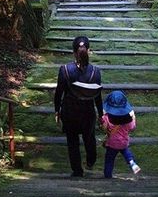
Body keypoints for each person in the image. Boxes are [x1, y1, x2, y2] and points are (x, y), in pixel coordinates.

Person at [54, 36, 103, 177]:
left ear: (73, 52)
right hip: (88, 112)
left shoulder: (65, 70)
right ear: (88, 51)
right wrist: (101, 114)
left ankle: (77, 170)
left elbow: (59, 93)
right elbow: (97, 95)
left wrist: (57, 110)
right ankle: (90, 161)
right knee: (89, 138)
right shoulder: (95, 71)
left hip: (69, 112)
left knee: (72, 141)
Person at [101, 90, 141, 178]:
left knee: (109, 160)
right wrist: (133, 117)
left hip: (111, 143)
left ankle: (107, 175)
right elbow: (132, 127)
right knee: (126, 152)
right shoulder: (128, 119)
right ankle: (132, 163)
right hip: (124, 142)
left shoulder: (106, 118)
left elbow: (104, 128)